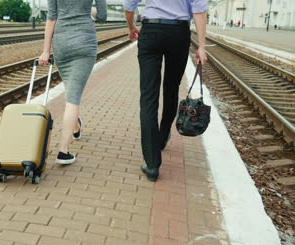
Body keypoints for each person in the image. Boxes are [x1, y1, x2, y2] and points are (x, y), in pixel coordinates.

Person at [123, 0, 208, 181]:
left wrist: (131, 27)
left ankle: (152, 164)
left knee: (148, 96)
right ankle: (161, 138)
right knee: (171, 89)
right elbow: (199, 10)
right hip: (179, 33)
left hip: (151, 31)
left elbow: (129, 6)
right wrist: (201, 46)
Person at [39, 0, 107, 165]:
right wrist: (85, 10)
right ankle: (63, 152)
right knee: (73, 97)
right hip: (84, 41)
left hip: (61, 43)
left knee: (71, 91)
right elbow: (103, 16)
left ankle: (75, 126)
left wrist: (46, 51)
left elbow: (51, 18)